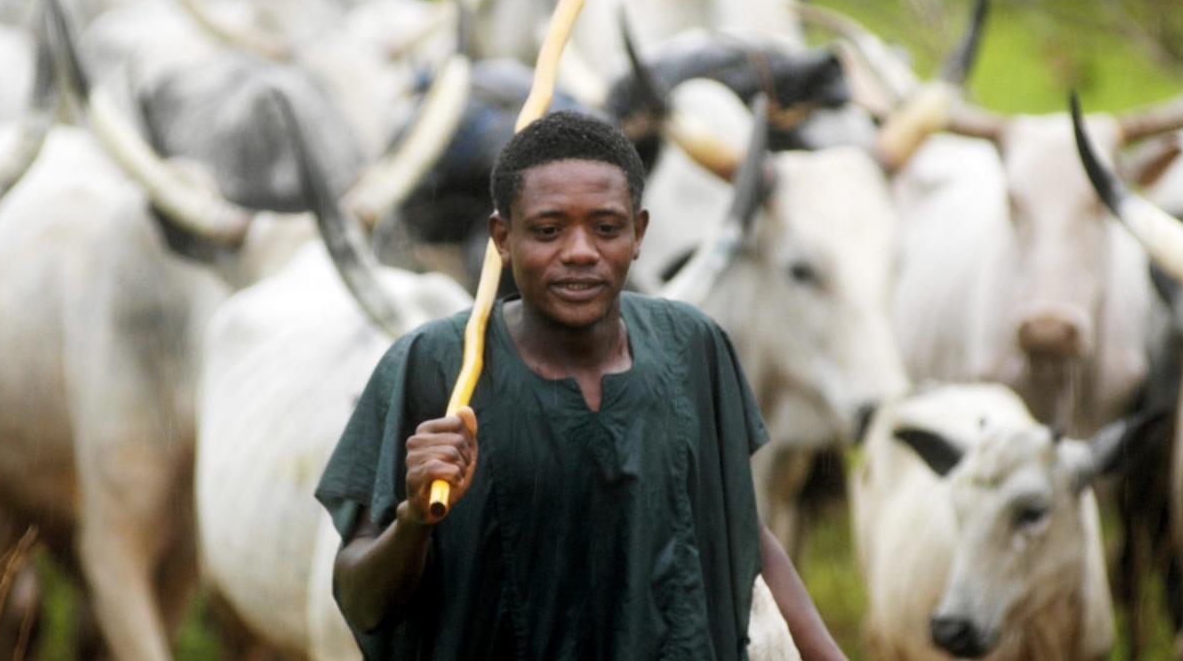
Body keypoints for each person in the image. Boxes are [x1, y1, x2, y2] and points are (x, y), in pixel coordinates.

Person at [315, 110, 847, 660]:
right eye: (547, 230)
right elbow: (360, 600)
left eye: (606, 227)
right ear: (503, 238)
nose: (579, 251)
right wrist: (414, 520)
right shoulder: (435, 367)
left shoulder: (692, 347)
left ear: (638, 234)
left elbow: (740, 529)